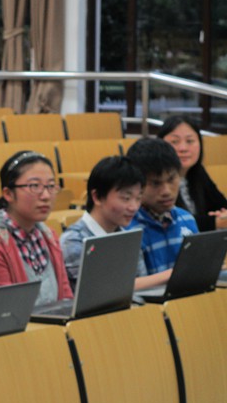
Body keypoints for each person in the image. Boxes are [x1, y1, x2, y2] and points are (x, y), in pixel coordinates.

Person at [0, 151, 73, 306]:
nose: (46, 196)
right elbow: (4, 312)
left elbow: (66, 300)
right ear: (8, 194)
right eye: (34, 186)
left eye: (50, 186)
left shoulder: (49, 236)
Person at [60, 156, 171, 290]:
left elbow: (142, 292)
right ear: (97, 197)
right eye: (126, 198)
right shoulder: (73, 241)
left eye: (138, 198)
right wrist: (167, 276)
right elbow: (102, 291)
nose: (134, 207)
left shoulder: (128, 238)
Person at [126, 137, 198, 274]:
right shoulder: (128, 230)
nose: (166, 191)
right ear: (136, 184)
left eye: (171, 179)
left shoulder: (187, 219)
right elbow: (135, 285)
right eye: (155, 183)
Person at [158, 115, 227, 231]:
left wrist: (222, 217)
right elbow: (170, 221)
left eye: (190, 141)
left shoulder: (198, 172)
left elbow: (222, 205)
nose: (183, 148)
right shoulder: (156, 180)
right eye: (174, 142)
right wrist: (214, 222)